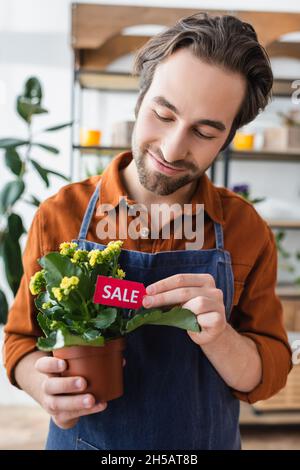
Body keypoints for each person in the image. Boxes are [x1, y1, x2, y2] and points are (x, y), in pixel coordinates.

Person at [3, 12, 292, 450]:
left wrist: (221, 339)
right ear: (140, 100)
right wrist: (41, 385)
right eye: (163, 114)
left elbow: (268, 374)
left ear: (228, 137)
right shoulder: (60, 215)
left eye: (205, 131)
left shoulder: (245, 230)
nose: (173, 149)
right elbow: (21, 341)